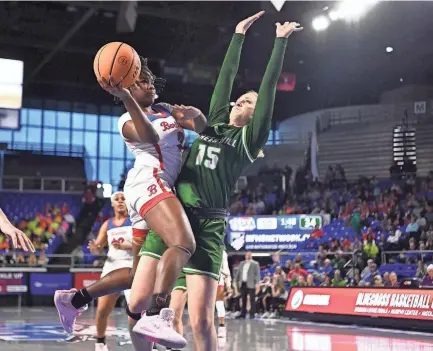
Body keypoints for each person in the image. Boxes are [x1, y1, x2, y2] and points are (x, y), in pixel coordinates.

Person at [131, 12, 302, 350]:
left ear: (257, 115)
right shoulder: (216, 122)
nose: (244, 98)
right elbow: (226, 77)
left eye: (251, 101)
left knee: (202, 322)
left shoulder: (249, 141)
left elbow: (268, 91)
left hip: (207, 227)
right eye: (243, 96)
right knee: (137, 304)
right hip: (176, 216)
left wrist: (279, 42)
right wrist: (237, 34)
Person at [54, 57, 207, 349]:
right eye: (138, 82)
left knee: (139, 275)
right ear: (126, 89)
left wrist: (195, 114)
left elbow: (203, 128)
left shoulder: (165, 110)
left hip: (147, 190)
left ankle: (74, 299)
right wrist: (125, 97)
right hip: (150, 183)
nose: (147, 84)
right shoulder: (125, 119)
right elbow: (149, 137)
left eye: (148, 80)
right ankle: (157, 314)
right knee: (184, 243)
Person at [78, 192, 132, 351]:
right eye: (117, 199)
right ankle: (100, 343)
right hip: (112, 266)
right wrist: (95, 248)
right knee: (102, 310)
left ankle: (151, 344)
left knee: (137, 310)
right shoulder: (107, 224)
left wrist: (125, 247)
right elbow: (98, 248)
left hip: (132, 265)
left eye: (123, 199)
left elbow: (143, 245)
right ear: (113, 204)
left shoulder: (135, 221)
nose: (121, 201)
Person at [235, 252, 261, 319]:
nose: (248, 256)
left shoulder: (255, 264)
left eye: (250, 255)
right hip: (243, 283)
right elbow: (238, 273)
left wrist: (257, 283)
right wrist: (236, 280)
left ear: (251, 256)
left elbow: (257, 274)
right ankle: (243, 313)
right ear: (245, 256)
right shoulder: (242, 263)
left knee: (252, 299)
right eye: (247, 255)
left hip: (251, 283)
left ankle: (252, 314)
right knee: (243, 299)